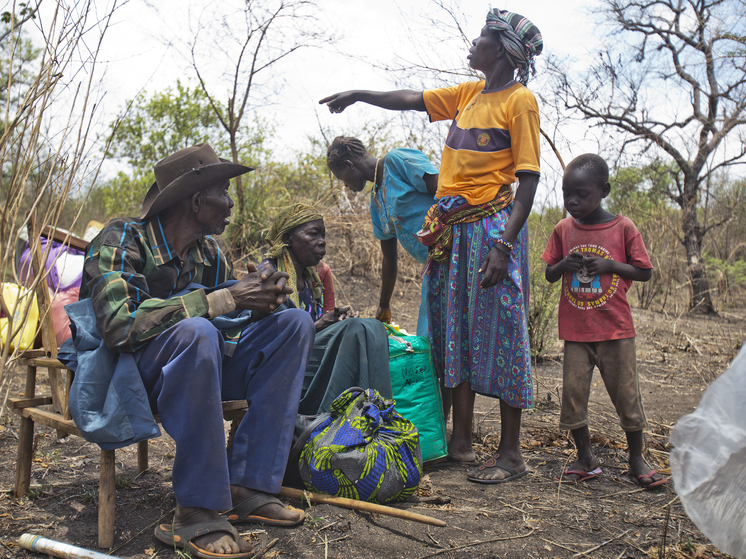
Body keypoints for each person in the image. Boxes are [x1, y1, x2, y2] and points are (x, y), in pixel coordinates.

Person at [320, 8, 543, 482]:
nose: (473, 44)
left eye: (482, 38)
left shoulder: (519, 101)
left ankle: (510, 454)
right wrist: (360, 93)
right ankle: (459, 442)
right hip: (451, 232)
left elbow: (527, 183)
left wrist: (504, 244)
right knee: (451, 331)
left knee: (502, 330)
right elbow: (411, 99)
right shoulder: (468, 94)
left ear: (502, 50)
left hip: (490, 228)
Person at [72, 144, 314, 558]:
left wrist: (267, 299)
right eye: (224, 191)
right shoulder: (120, 238)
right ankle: (196, 509)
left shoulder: (208, 253)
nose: (231, 203)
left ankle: (247, 485)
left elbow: (230, 323)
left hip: (201, 373)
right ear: (198, 199)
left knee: (294, 325)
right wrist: (223, 300)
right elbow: (119, 326)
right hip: (126, 381)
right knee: (197, 331)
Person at [541, 153, 667, 489]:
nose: (572, 201)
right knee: (573, 396)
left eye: (581, 194)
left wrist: (609, 266)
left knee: (627, 395)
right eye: (567, 193)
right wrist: (564, 264)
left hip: (615, 330)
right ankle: (586, 458)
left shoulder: (622, 227)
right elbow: (550, 273)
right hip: (576, 333)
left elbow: (644, 272)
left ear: (604, 191)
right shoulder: (563, 230)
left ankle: (637, 458)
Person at [263, 203, 393, 414]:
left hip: (309, 355)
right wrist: (320, 325)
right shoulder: (268, 276)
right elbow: (268, 339)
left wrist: (332, 321)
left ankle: (375, 414)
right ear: (287, 239)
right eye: (313, 235)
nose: (322, 242)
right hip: (283, 366)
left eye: (323, 235)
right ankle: (340, 419)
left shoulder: (312, 279)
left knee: (373, 328)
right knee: (355, 331)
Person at [326, 136, 438, 337]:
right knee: (429, 339)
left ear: (349, 165)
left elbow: (447, 190)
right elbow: (389, 259)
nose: (345, 185)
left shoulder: (397, 161)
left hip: (457, 252)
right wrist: (384, 305)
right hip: (434, 269)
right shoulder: (375, 202)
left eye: (341, 178)